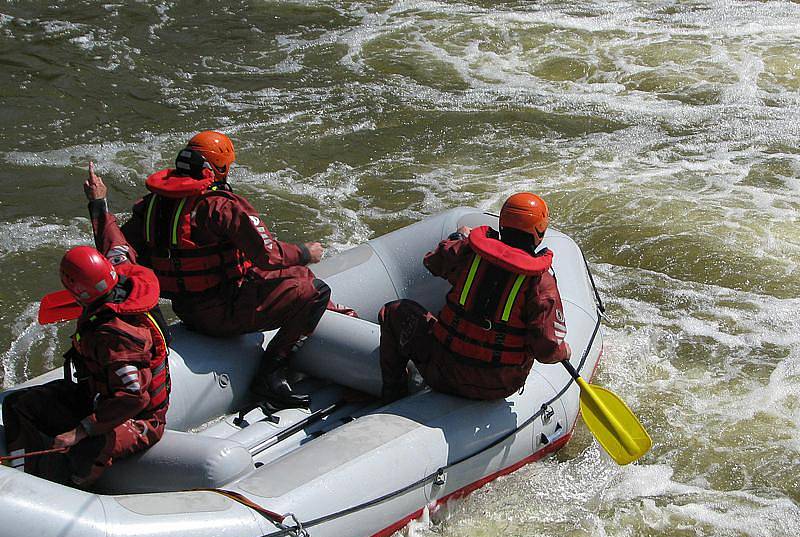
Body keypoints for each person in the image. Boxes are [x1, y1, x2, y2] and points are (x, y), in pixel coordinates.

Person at [101, 130, 354, 409]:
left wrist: (98, 207)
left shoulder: (151, 207)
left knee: (299, 277)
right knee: (313, 290)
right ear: (218, 168)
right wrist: (306, 252)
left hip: (189, 312)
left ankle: (330, 313)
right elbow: (268, 255)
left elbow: (119, 253)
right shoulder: (220, 206)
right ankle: (271, 375)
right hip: (226, 314)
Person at [1, 164, 170, 487]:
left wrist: (81, 430)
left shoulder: (114, 336)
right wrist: (98, 202)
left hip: (140, 419)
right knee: (17, 404)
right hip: (96, 393)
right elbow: (112, 241)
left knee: (88, 448)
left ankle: (66, 490)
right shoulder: (122, 273)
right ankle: (20, 477)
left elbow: (133, 398)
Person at [379, 192, 571, 401]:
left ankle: (393, 393)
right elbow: (546, 349)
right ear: (539, 233)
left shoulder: (470, 251)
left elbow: (433, 262)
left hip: (442, 371)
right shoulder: (541, 282)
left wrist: (459, 237)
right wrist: (564, 352)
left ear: (502, 224)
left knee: (393, 312)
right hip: (498, 385)